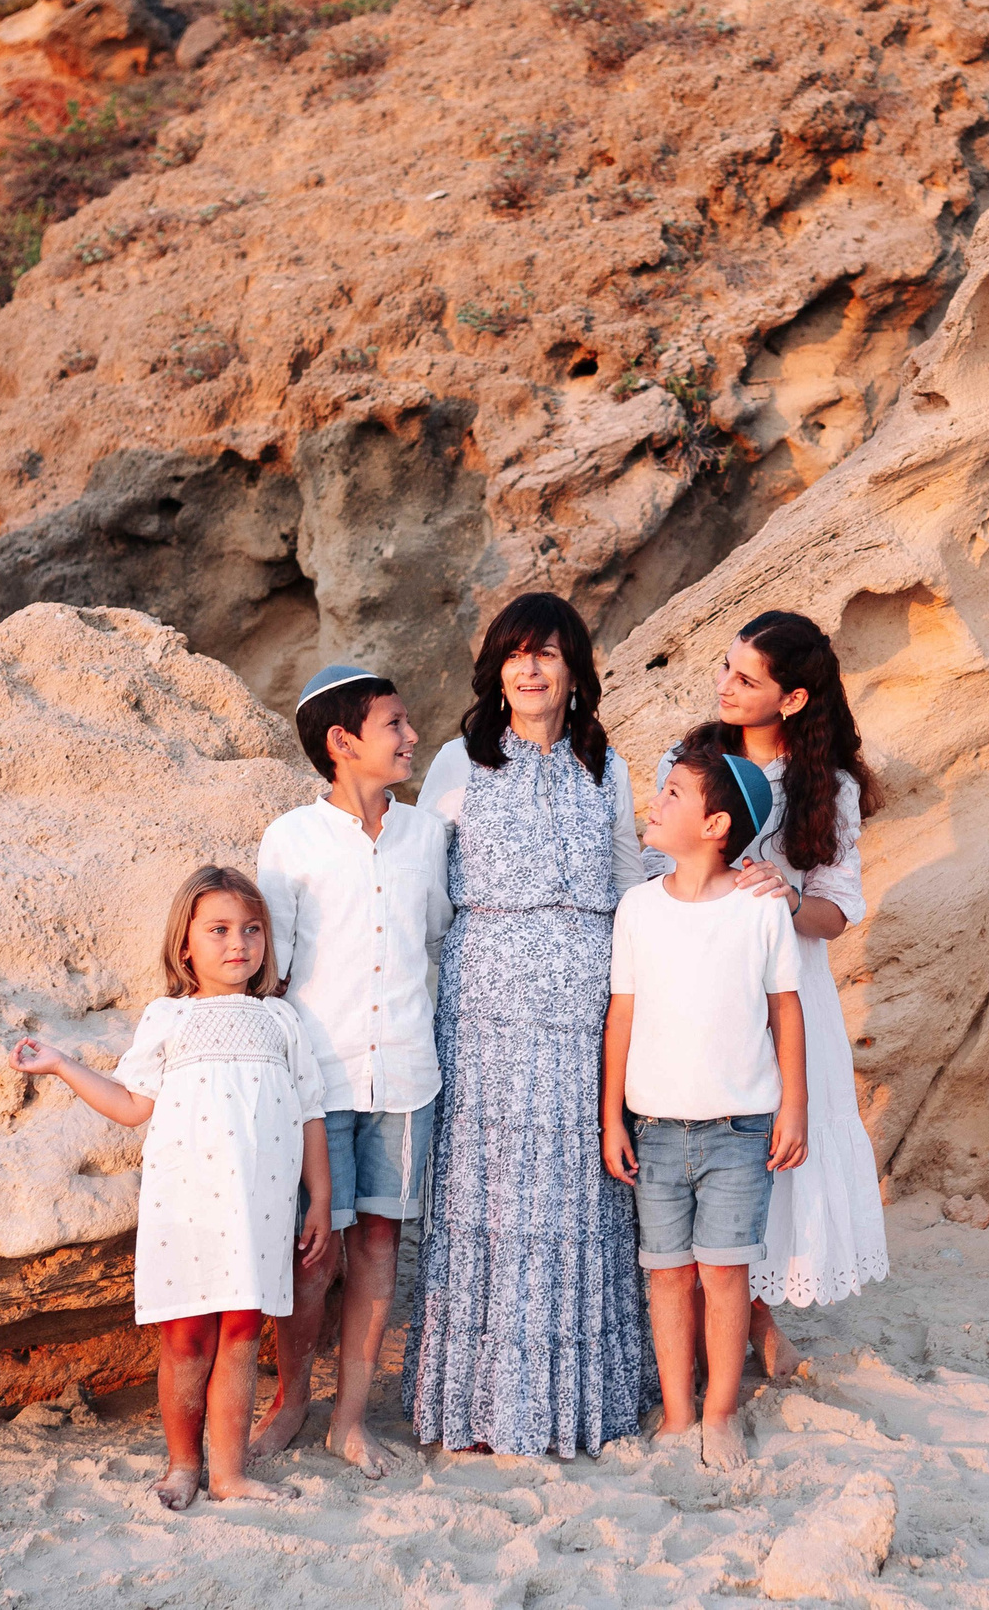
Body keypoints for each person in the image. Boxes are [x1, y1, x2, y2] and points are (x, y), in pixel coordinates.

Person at [403, 592, 655, 1459]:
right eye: (515, 653)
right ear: (496, 668)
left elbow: (632, 882)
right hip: (486, 1011)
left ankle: (572, 1404)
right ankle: (481, 1408)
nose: (530, 667)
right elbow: (425, 884)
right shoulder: (459, 762)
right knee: (494, 1194)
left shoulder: (607, 766)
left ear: (576, 669)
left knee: (577, 1194)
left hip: (583, 1006)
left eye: (547, 652)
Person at [7, 865, 329, 1510]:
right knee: (186, 1333)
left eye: (252, 929)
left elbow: (309, 1111)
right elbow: (131, 1105)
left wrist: (318, 1197)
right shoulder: (168, 1018)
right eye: (218, 930)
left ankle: (230, 1473)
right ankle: (183, 1465)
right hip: (185, 1203)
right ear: (185, 944)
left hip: (259, 1206)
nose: (238, 943)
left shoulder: (282, 1021)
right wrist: (62, 1063)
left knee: (241, 1331)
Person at [645, 610, 888, 1377]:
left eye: (746, 678)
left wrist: (785, 895)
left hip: (787, 988)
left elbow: (837, 910)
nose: (724, 685)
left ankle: (759, 1313)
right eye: (724, 667)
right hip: (694, 987)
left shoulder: (829, 786)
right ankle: (726, 1320)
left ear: (792, 700)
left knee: (772, 1153)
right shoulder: (683, 763)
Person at [254, 664, 451, 1478]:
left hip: (406, 1072)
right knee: (312, 1252)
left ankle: (349, 1416)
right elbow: (272, 971)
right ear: (343, 743)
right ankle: (291, 1396)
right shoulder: (290, 839)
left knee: (378, 1243)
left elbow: (435, 940)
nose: (411, 738)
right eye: (395, 725)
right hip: (318, 1081)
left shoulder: (427, 835)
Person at [603, 730, 807, 1470]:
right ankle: (678, 1409)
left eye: (673, 795)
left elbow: (787, 1010)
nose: (654, 805)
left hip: (738, 1129)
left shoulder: (759, 909)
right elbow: (620, 1015)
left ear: (717, 826)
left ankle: (719, 1413)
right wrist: (610, 1118)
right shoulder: (637, 908)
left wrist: (795, 1108)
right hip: (654, 1128)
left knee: (724, 1274)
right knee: (667, 1274)